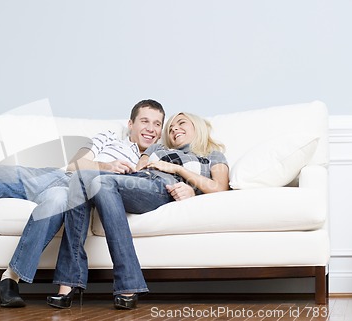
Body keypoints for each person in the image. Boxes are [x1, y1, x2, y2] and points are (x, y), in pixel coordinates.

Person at [0, 99, 166, 308]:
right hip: (52, 175)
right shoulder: (109, 137)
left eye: (157, 124)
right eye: (145, 121)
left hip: (71, 193)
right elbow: (75, 163)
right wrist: (107, 165)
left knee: (57, 202)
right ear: (130, 124)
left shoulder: (156, 157)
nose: (151, 129)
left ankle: (11, 279)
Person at [49, 112, 229, 310]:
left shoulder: (212, 154)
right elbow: (138, 169)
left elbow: (219, 187)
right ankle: (68, 283)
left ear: (197, 126)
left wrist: (182, 177)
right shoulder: (157, 148)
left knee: (102, 182)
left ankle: (127, 283)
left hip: (163, 186)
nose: (174, 129)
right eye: (170, 128)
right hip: (139, 181)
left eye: (181, 123)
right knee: (81, 176)